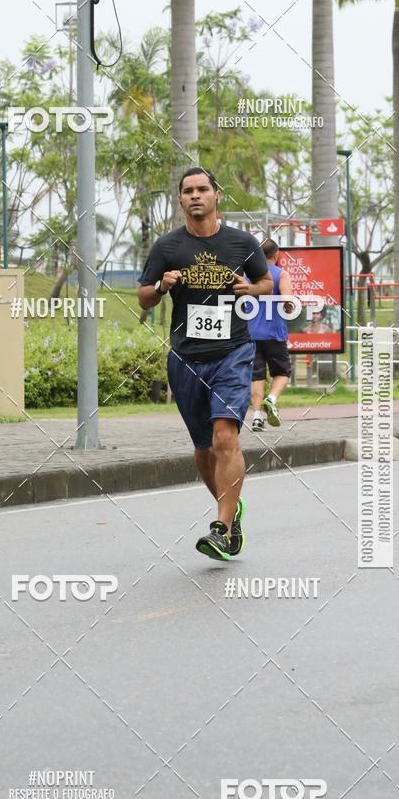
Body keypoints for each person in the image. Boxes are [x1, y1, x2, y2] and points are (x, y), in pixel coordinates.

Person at [137, 166, 273, 560]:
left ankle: (222, 527)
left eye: (202, 189)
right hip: (185, 358)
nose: (195, 195)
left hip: (233, 353)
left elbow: (265, 283)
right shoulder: (167, 247)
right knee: (202, 450)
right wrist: (162, 285)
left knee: (224, 439)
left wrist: (250, 287)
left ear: (217, 196)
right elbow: (144, 296)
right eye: (188, 191)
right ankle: (231, 511)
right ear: (180, 200)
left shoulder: (241, 242)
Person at [248, 239, 293, 430]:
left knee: (256, 377)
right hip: (274, 333)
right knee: (282, 372)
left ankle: (257, 417)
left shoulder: (247, 276)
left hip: (250, 334)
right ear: (276, 255)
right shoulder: (281, 274)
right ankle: (271, 398)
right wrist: (288, 306)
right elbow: (287, 299)